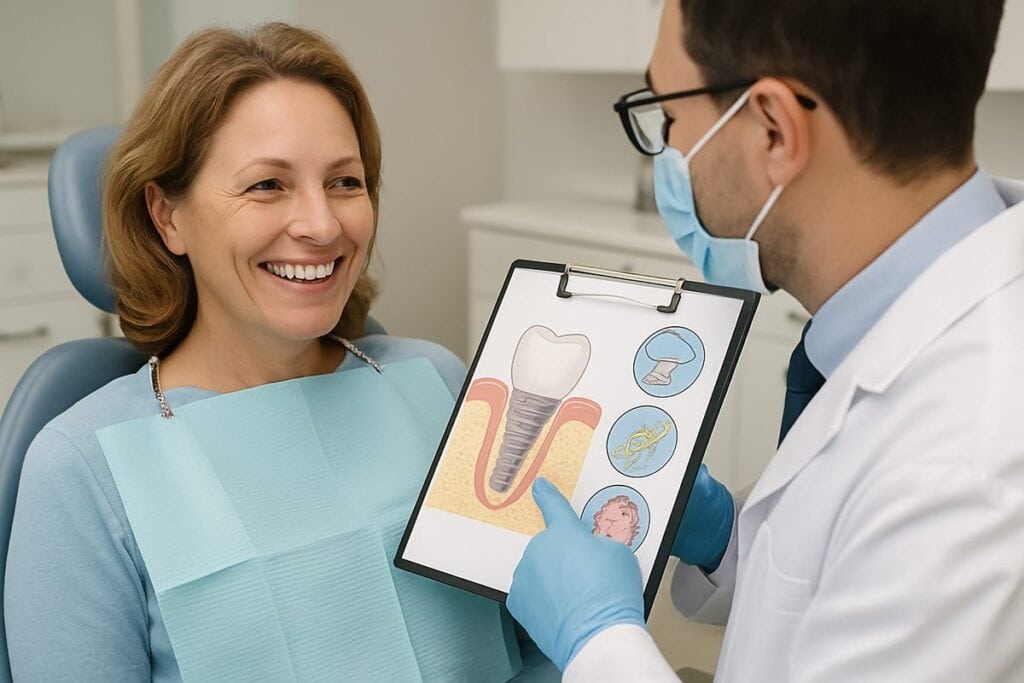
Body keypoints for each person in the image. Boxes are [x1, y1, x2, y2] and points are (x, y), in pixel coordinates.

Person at [5, 23, 554, 681]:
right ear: (167, 216)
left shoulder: (435, 380)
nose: (322, 225)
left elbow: (542, 647)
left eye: (345, 182)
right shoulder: (79, 469)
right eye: (267, 185)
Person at [507, 0, 1024, 680]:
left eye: (668, 116)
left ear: (774, 130)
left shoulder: (966, 469)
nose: (666, 152)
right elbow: (842, 578)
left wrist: (597, 642)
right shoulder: (906, 328)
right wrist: (729, 538)